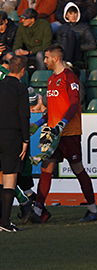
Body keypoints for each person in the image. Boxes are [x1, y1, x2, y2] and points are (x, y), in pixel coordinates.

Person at [30, 44, 97, 223]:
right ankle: (38, 212)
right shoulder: (52, 79)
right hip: (53, 134)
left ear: (56, 58)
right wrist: (38, 123)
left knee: (78, 169)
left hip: (69, 133)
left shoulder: (70, 77)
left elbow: (74, 104)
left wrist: (63, 123)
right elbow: (52, 109)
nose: (44, 61)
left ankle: (92, 209)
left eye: (46, 58)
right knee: (46, 169)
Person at [0, 55, 29, 232]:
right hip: (12, 137)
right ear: (23, 70)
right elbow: (23, 116)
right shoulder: (21, 89)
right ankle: (5, 222)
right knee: (10, 179)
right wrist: (26, 140)